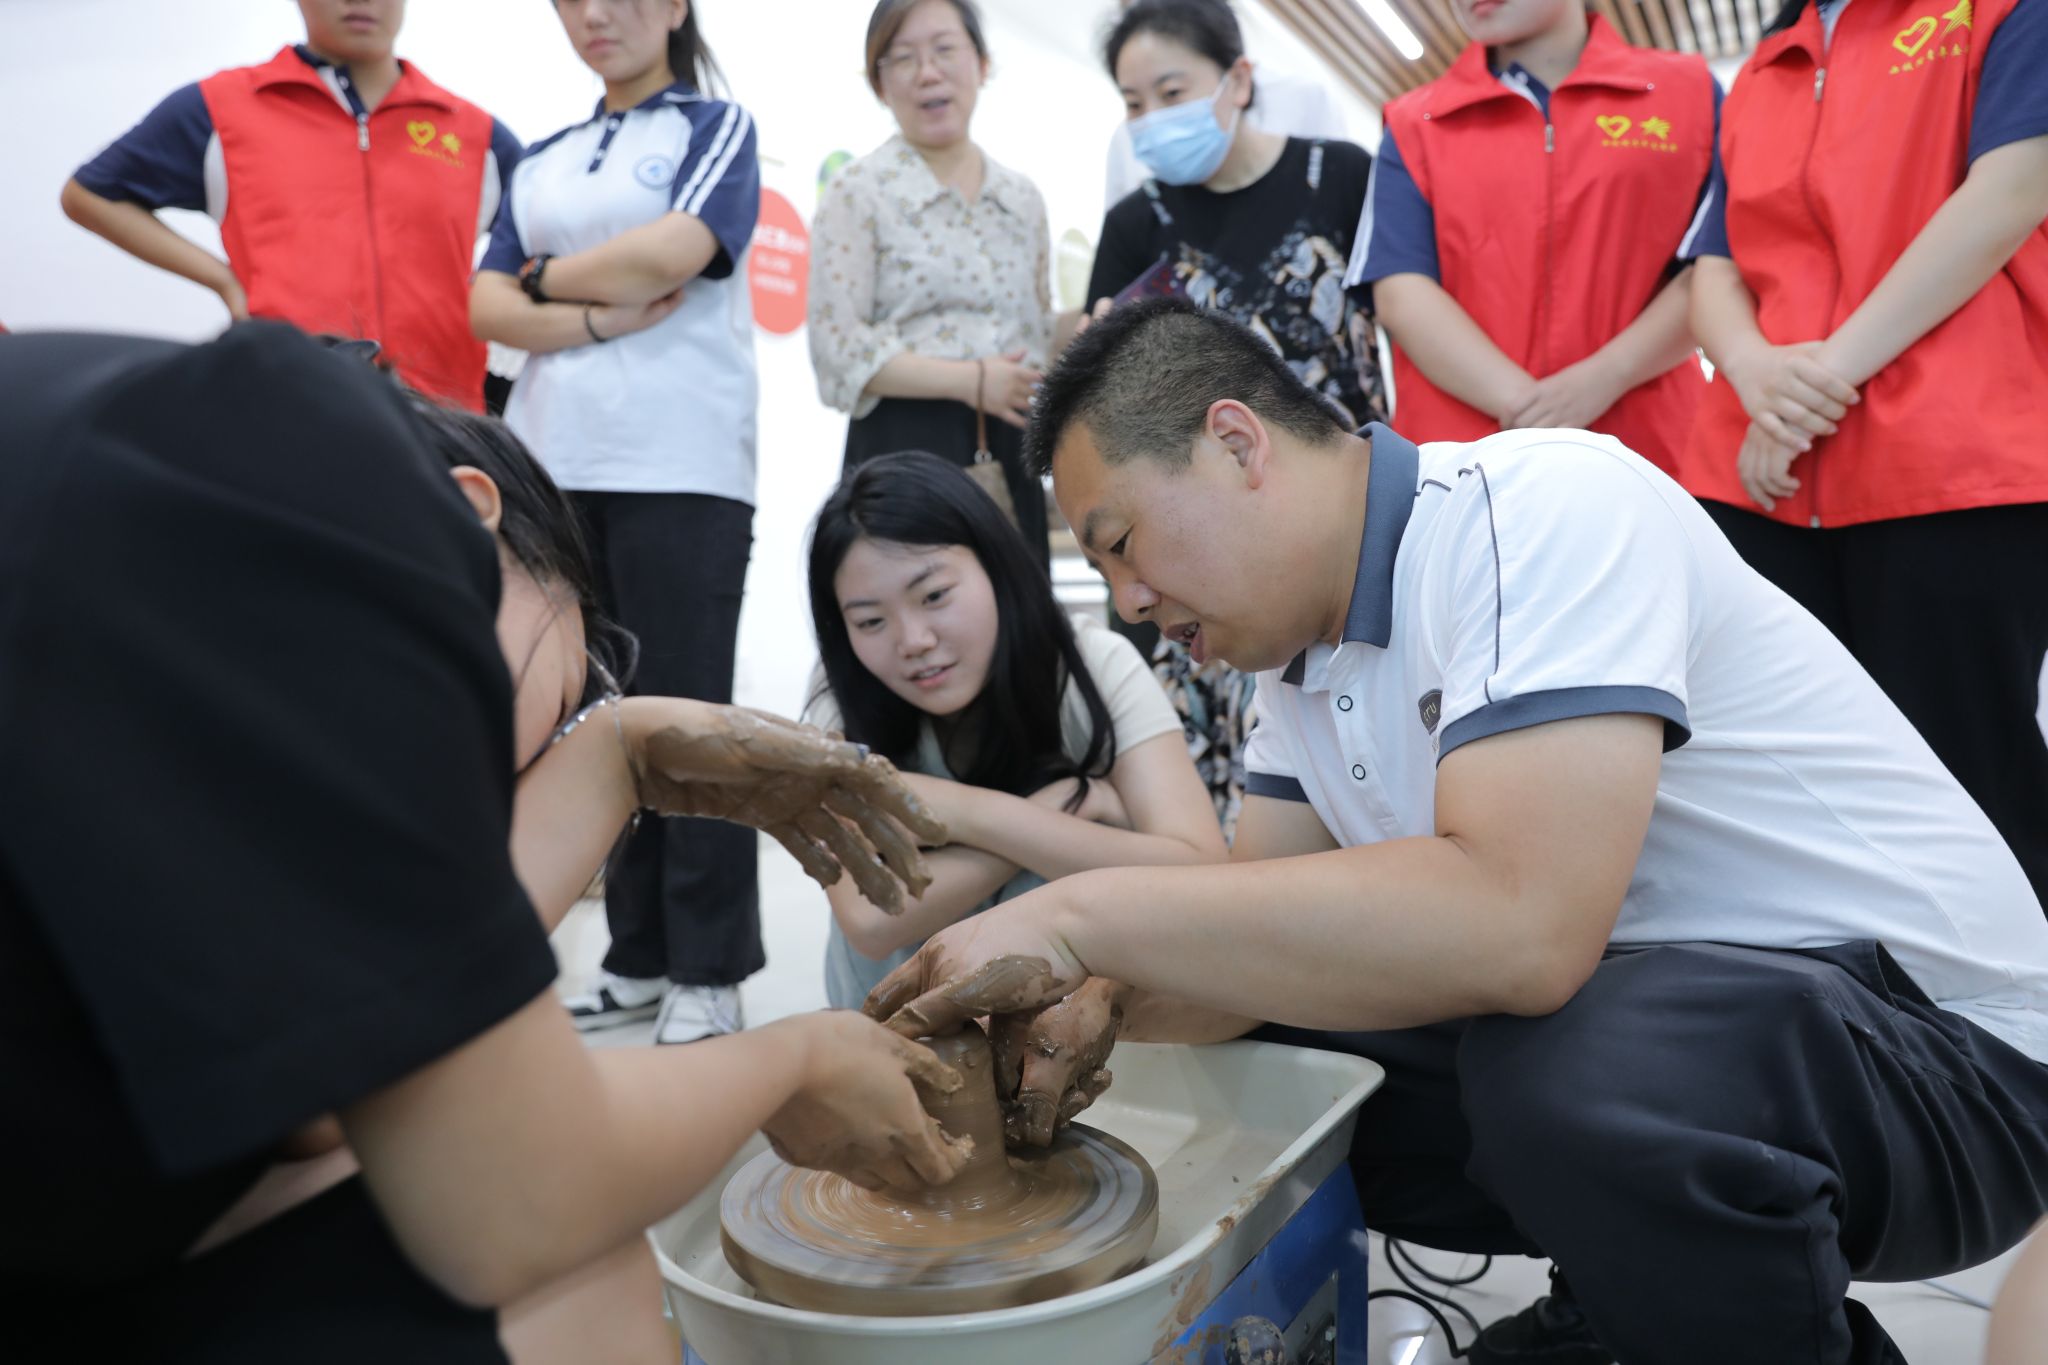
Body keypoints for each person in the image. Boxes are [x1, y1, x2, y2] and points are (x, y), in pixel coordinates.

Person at [863, 298, 2048, 1365]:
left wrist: (1075, 914)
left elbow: (1523, 929)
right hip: (1733, 1032)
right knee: (1295, 1064)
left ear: (1235, 443)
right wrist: (1098, 1000)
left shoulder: (1535, 511)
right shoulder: (1291, 675)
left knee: (1566, 1069)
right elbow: (1242, 968)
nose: (1126, 601)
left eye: (1121, 542)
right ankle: (1628, 1301)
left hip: (1954, 1062)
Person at [0, 322, 968, 1362]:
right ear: (466, 514)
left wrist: (614, 753)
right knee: (577, 1278)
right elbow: (512, 1198)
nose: (517, 775)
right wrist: (797, 1059)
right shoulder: (311, 470)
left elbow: (350, 1077)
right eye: (559, 715)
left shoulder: (172, 526)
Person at [1680, 0, 2048, 910]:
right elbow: (1715, 265)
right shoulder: (1765, 66)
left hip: (1948, 463)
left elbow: (2010, 193)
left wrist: (1809, 388)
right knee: (1781, 796)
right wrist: (1754, 371)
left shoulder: (2005, 13)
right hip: (1755, 482)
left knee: (1968, 777)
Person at [473, 0, 767, 1045]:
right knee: (585, 721)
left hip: (680, 461)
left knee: (685, 718)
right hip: (549, 468)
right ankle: (636, 956)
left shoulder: (713, 128)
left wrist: (546, 278)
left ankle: (711, 968)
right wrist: (599, 314)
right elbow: (484, 308)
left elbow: (678, 250)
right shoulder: (542, 157)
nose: (597, 13)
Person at [801, 453, 1225, 1133]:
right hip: (894, 1067)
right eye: (870, 621)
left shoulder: (1093, 667)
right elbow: (871, 919)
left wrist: (965, 812)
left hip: (1075, 1061)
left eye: (934, 595)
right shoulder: (836, 706)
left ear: (996, 566)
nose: (915, 640)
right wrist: (1056, 810)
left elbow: (1201, 870)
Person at [60, 0, 519, 409]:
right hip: (285, 403)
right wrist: (225, 282)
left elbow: (538, 246)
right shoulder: (223, 108)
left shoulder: (475, 134)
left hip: (447, 414)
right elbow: (90, 194)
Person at [1349, 0, 1713, 471]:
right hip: (1464, 463)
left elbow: (1716, 263)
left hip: (1650, 451)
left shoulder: (1688, 94)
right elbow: (1401, 290)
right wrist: (1530, 408)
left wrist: (1603, 379)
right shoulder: (1414, 123)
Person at [807, 0, 1056, 567]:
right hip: (902, 444)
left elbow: (1036, 327)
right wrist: (973, 381)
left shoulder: (1021, 198)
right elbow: (837, 350)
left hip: (1009, 441)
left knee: (1015, 607)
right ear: (879, 83)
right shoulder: (857, 191)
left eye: (945, 50)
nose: (927, 73)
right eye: (903, 58)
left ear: (982, 63)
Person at [1101, 1, 1350, 208]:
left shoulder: (1303, 100)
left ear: (1239, 79)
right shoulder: (1129, 140)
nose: (1153, 117)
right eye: (1133, 103)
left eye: (1173, 92)